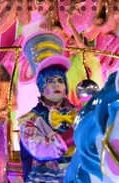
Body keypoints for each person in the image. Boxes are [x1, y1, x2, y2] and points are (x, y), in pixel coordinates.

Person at [18, 32, 77, 182]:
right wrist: (70, 137)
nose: (56, 84)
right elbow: (39, 149)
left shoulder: (80, 114)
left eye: (60, 80)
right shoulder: (30, 120)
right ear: (41, 87)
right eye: (50, 81)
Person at [66, 12, 104, 109]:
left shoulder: (85, 55)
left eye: (73, 40)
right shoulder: (69, 62)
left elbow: (81, 46)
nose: (70, 42)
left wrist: (70, 25)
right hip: (75, 99)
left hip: (87, 93)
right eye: (70, 42)